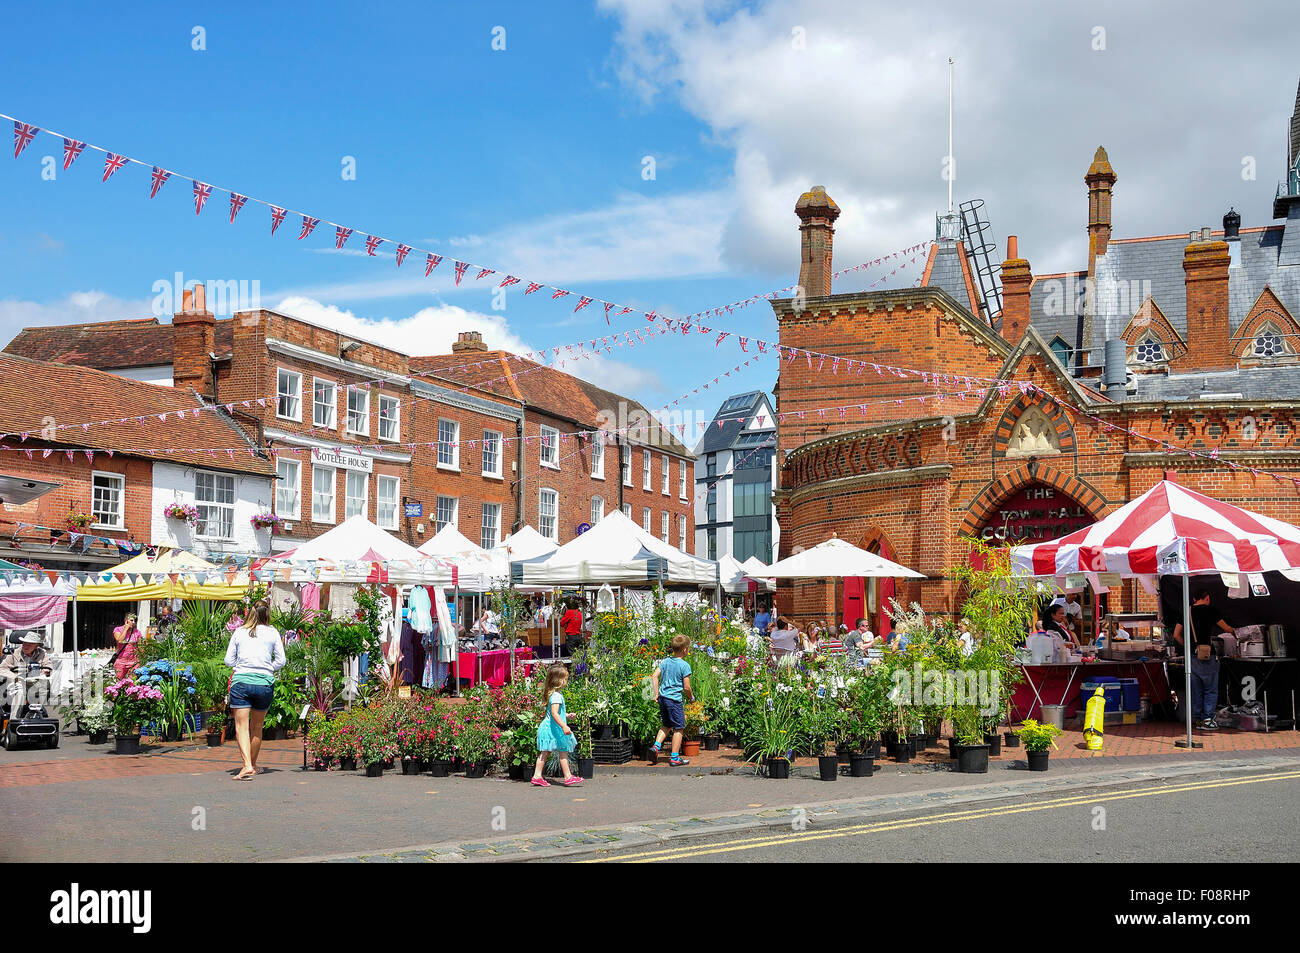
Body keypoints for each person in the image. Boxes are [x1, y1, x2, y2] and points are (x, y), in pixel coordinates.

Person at [223, 601, 286, 780]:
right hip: (264, 682)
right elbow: (281, 661)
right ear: (267, 614)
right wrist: (266, 667)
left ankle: (247, 765)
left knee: (241, 726)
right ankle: (252, 764)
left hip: (241, 681)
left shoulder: (239, 631)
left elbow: (228, 660)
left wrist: (244, 666)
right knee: (257, 727)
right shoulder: (273, 632)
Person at [1172, 589, 1232, 731]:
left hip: (1192, 655)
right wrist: (1235, 632)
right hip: (1207, 654)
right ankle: (1208, 719)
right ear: (1207, 598)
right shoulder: (1210, 610)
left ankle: (1198, 719)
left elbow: (1176, 635)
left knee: (1196, 689)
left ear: (1193, 599)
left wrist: (1187, 646)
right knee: (1210, 689)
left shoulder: (1187, 611)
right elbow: (1226, 628)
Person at [531, 664, 581, 787]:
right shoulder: (557, 696)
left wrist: (567, 715)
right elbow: (554, 713)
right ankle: (568, 777)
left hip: (549, 728)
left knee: (545, 752)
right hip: (553, 729)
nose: (566, 682)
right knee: (563, 751)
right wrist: (564, 726)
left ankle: (537, 775)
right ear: (559, 681)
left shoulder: (553, 695)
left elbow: (555, 712)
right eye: (565, 679)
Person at [649, 634, 694, 766]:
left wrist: (656, 693)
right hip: (674, 700)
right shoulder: (684, 665)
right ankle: (674, 757)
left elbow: (654, 676)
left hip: (663, 699)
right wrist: (691, 697)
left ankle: (656, 746)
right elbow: (687, 687)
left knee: (667, 724)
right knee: (679, 728)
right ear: (685, 649)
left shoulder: (666, 662)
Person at [0, 632, 53, 718]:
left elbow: (48, 665)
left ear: (36, 646)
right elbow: (2, 669)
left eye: (30, 644)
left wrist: (45, 670)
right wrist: (15, 677)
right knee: (20, 691)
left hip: (33, 682)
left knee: (45, 685)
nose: (26, 646)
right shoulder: (14, 653)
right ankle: (14, 720)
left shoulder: (42, 653)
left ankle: (36, 713)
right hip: (16, 682)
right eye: (25, 643)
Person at [111, 613, 144, 681]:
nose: (133, 622)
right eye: (131, 620)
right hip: (121, 660)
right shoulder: (118, 629)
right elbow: (119, 640)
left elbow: (140, 646)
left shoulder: (137, 632)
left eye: (135, 621)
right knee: (118, 681)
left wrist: (143, 657)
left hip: (133, 661)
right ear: (126, 620)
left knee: (132, 682)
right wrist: (125, 629)